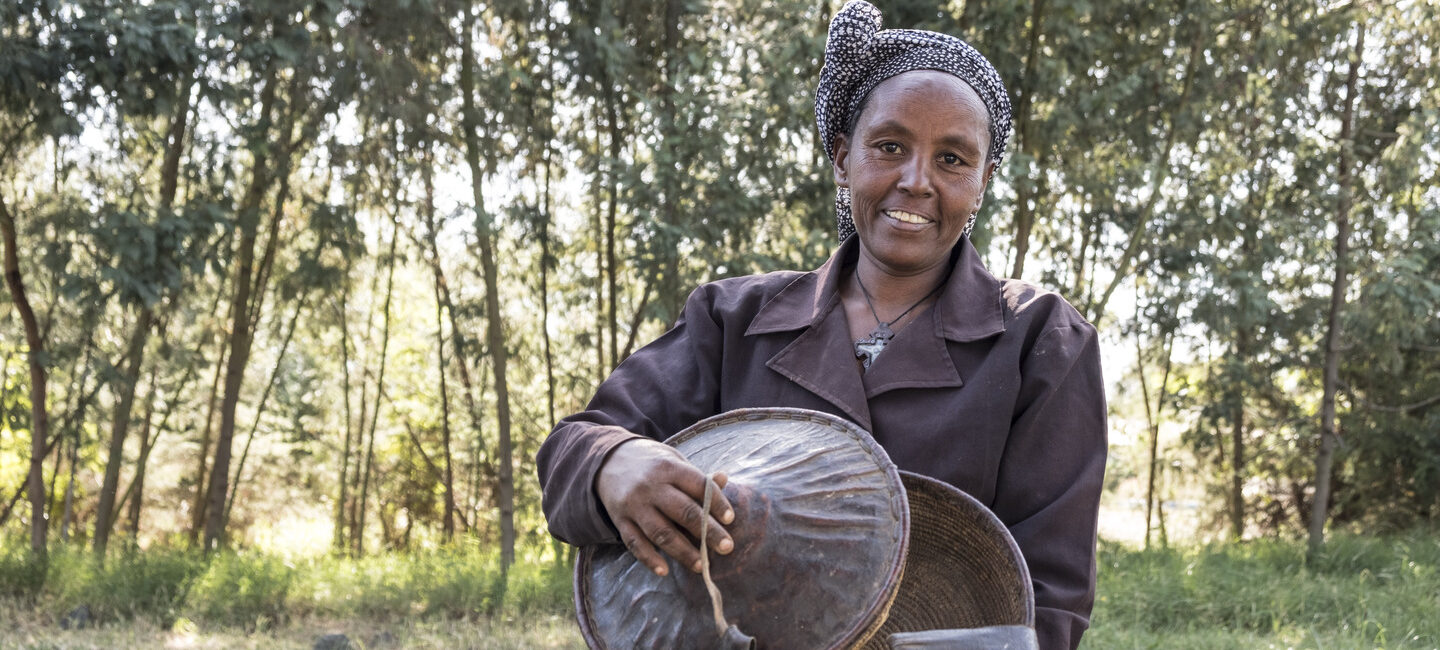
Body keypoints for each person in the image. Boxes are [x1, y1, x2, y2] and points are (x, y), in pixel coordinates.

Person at [536, 2, 1107, 648]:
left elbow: (1048, 603)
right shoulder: (731, 321)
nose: (917, 181)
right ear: (842, 159)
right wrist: (613, 462)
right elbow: (573, 447)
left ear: (981, 183)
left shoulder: (1038, 339)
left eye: (952, 159)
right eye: (889, 147)